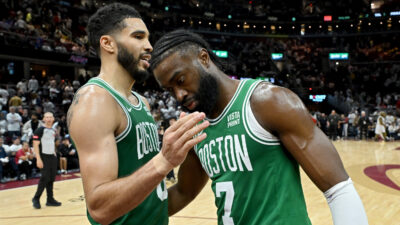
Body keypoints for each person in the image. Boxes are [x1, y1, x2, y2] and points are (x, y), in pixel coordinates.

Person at [150, 29, 369, 225]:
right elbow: (182, 192)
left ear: (204, 58)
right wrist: (129, 213)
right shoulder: (196, 128)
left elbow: (338, 190)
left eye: (180, 80)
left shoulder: (268, 102)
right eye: (170, 90)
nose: (179, 95)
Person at [67, 3, 209, 225]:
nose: (149, 46)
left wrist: (194, 149)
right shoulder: (95, 100)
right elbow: (100, 209)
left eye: (148, 38)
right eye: (138, 37)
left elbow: (153, 204)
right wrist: (164, 161)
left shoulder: (141, 102)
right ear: (108, 44)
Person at [32, 112, 62, 209]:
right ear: (44, 119)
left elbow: (51, 142)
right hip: (43, 157)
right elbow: (35, 145)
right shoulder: (39, 130)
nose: (49, 119)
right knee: (44, 178)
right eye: (47, 117)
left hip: (52, 157)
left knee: (51, 178)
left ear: (53, 119)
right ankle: (36, 198)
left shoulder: (53, 130)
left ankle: (50, 200)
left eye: (50, 117)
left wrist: (54, 153)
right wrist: (38, 159)